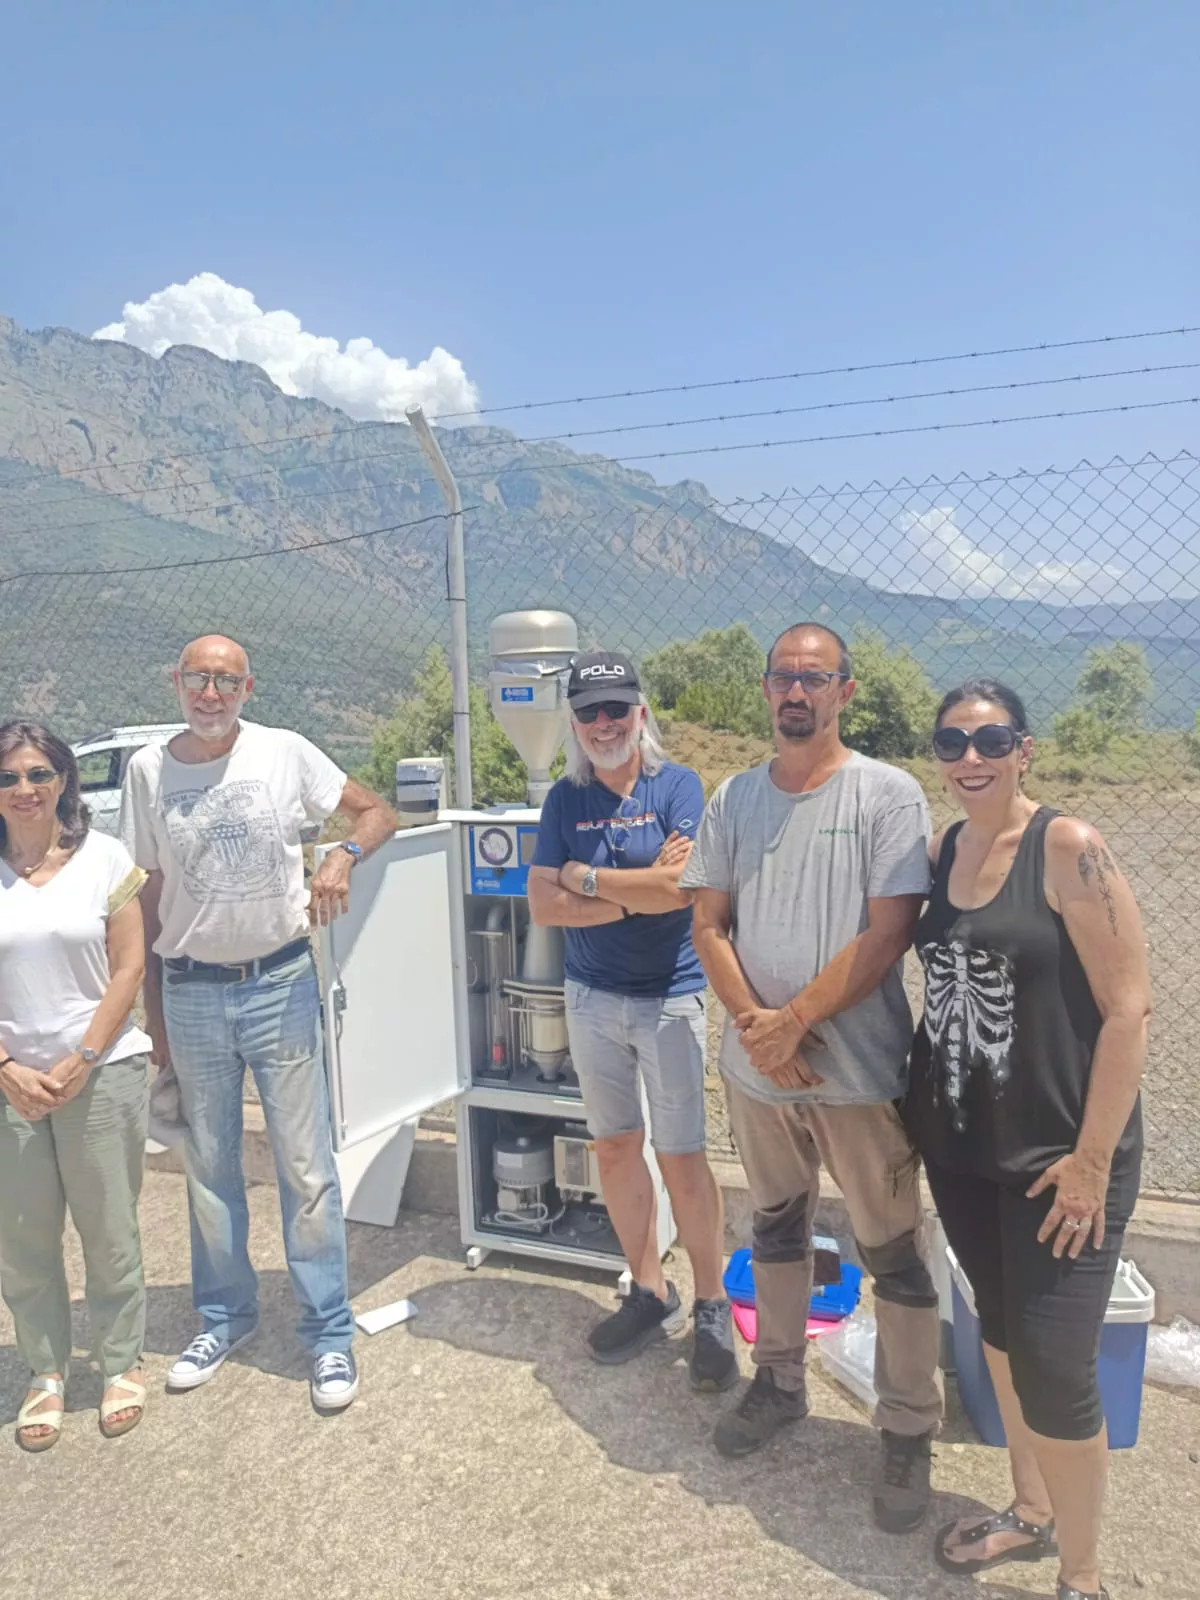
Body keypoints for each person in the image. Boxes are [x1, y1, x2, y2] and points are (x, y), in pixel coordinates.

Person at [681, 623, 943, 1533]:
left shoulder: (886, 794)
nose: (797, 694)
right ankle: (780, 1381)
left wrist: (792, 1023)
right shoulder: (735, 798)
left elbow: (886, 933)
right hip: (761, 1077)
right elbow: (709, 923)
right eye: (783, 679)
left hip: (860, 1073)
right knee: (777, 1227)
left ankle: (908, 1428)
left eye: (815, 679)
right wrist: (760, 1033)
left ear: (846, 691)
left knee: (892, 1249)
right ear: (765, 691)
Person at [905, 681, 1149, 1600]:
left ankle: (1082, 1579)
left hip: (1063, 1163)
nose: (971, 758)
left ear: (1024, 748)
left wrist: (1092, 1163)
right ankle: (1030, 1508)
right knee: (1002, 1336)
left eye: (990, 739)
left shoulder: (1067, 847)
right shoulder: (942, 851)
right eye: (952, 743)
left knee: (1055, 1370)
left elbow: (1129, 1007)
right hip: (967, 1152)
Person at [120, 635, 399, 1413]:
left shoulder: (286, 752)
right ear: (175, 682)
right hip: (191, 990)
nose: (211, 694)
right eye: (198, 679)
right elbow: (145, 894)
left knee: (306, 1169)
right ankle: (224, 1316)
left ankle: (328, 1333)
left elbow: (380, 810)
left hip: (279, 982)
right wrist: (155, 1016)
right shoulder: (149, 771)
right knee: (209, 1170)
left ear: (249, 688)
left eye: (227, 681)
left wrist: (341, 855)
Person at [528, 649, 735, 1389]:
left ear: (641, 714)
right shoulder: (563, 800)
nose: (605, 724)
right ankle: (649, 1289)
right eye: (589, 712)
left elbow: (682, 888)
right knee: (616, 1149)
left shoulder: (678, 785)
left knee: (682, 1156)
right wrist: (626, 893)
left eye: (618, 709)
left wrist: (584, 877)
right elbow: (542, 906)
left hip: (671, 996)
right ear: (573, 724)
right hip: (591, 998)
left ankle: (711, 1304)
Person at [0, 721, 151, 1450]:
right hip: (8, 1083)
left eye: (37, 774)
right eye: (8, 777)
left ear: (64, 780)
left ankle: (121, 1363)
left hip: (102, 1071)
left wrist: (82, 1058)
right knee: (22, 1239)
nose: (23, 790)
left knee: (108, 1228)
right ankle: (47, 1373)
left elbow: (129, 968)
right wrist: (7, 1070)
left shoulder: (106, 859)